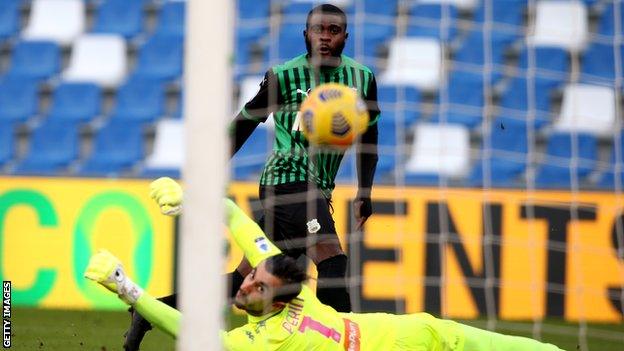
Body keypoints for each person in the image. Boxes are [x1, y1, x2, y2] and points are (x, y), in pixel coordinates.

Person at [123, 4, 379, 348]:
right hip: (284, 178)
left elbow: (370, 140)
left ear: (345, 37)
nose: (325, 37)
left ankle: (151, 311)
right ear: (306, 34)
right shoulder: (283, 76)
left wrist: (365, 191)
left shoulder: (362, 79)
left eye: (333, 31)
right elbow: (245, 123)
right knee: (332, 259)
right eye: (319, 30)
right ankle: (348, 343)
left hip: (317, 190)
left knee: (244, 279)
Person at [86, 198, 566, 351]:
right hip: (412, 332)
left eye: (255, 288)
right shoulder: (293, 291)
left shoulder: (269, 341)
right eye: (252, 279)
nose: (246, 285)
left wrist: (127, 288)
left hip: (418, 337)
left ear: (277, 303)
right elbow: (240, 221)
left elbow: (193, 334)